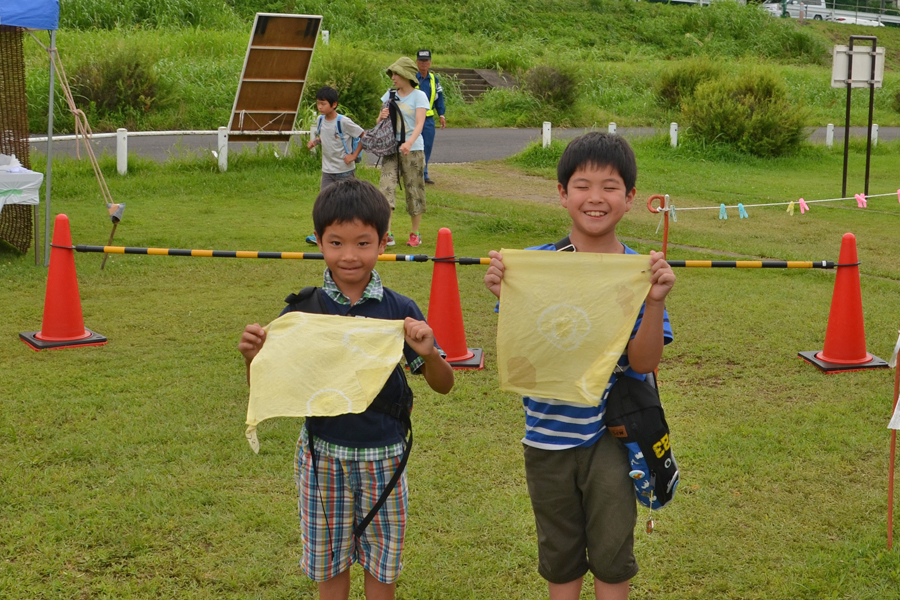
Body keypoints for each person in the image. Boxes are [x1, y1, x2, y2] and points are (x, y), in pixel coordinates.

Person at [238, 179, 454, 600]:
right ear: (318, 241)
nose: (349, 256)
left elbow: (443, 385)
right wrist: (253, 358)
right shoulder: (303, 310)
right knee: (329, 565)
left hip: (385, 455)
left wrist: (429, 354)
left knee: (382, 567)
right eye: (336, 243)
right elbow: (269, 383)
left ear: (383, 242)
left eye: (362, 243)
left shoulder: (399, 310)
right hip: (322, 455)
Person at [483, 132, 675, 600]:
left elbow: (644, 362)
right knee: (560, 557)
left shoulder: (638, 270)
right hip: (545, 436)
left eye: (610, 186)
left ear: (630, 198)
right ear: (562, 194)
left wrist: (653, 303)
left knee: (612, 557)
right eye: (582, 185)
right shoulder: (538, 266)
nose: (595, 198)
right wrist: (508, 297)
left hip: (611, 438)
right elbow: (528, 354)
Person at [377, 57, 428, 248]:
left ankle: (415, 233)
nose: (393, 77)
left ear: (407, 75)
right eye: (392, 73)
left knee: (414, 189)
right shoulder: (389, 95)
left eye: (396, 73)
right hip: (391, 148)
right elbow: (380, 123)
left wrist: (409, 142)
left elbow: (420, 123)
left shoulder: (419, 96)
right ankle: (387, 233)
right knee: (385, 188)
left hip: (412, 149)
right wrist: (381, 117)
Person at [304, 86, 365, 245]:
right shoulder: (320, 120)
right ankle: (320, 235)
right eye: (318, 103)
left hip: (345, 172)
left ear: (334, 104)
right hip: (327, 171)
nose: (319, 107)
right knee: (322, 204)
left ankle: (353, 233)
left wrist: (353, 155)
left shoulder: (343, 121)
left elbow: (363, 135)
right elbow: (326, 137)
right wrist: (315, 142)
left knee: (347, 204)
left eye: (323, 104)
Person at [414, 49, 446, 185]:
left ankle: (424, 173)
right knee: (413, 146)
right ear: (417, 62)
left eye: (426, 60)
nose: (424, 63)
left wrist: (441, 114)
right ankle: (412, 172)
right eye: (421, 60)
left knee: (427, 146)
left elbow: (439, 98)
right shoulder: (411, 77)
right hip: (413, 118)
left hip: (428, 119)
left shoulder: (434, 79)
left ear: (430, 62)